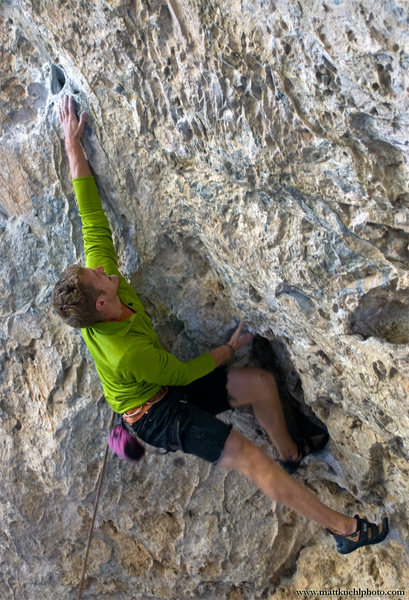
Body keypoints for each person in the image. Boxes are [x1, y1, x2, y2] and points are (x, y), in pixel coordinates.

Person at [52, 95, 389, 555]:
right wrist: (230, 348)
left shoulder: (106, 290)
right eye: (99, 276)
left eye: (96, 269)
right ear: (103, 302)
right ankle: (346, 531)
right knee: (251, 460)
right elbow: (181, 375)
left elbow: (91, 216)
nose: (105, 268)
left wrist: (74, 147)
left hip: (153, 381)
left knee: (263, 385)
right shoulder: (127, 350)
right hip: (158, 413)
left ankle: (292, 456)